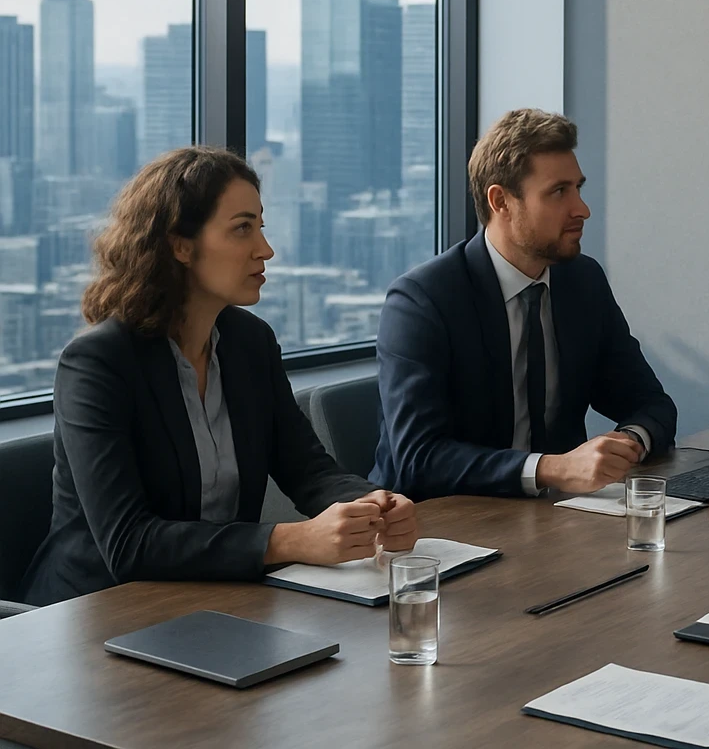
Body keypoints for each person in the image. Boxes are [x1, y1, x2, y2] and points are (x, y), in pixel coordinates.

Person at [22, 148, 417, 606]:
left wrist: (375, 503)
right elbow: (129, 544)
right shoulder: (97, 363)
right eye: (242, 228)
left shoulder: (250, 343)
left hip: (216, 600)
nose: (265, 250)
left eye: (260, 227)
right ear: (180, 245)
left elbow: (307, 469)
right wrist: (288, 541)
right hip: (97, 617)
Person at [371, 109, 678, 500]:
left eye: (578, 188)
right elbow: (419, 458)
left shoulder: (582, 282)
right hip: (442, 530)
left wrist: (627, 443)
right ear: (501, 201)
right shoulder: (422, 301)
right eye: (558, 192)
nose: (581, 209)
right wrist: (553, 468)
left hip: (554, 519)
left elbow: (651, 403)